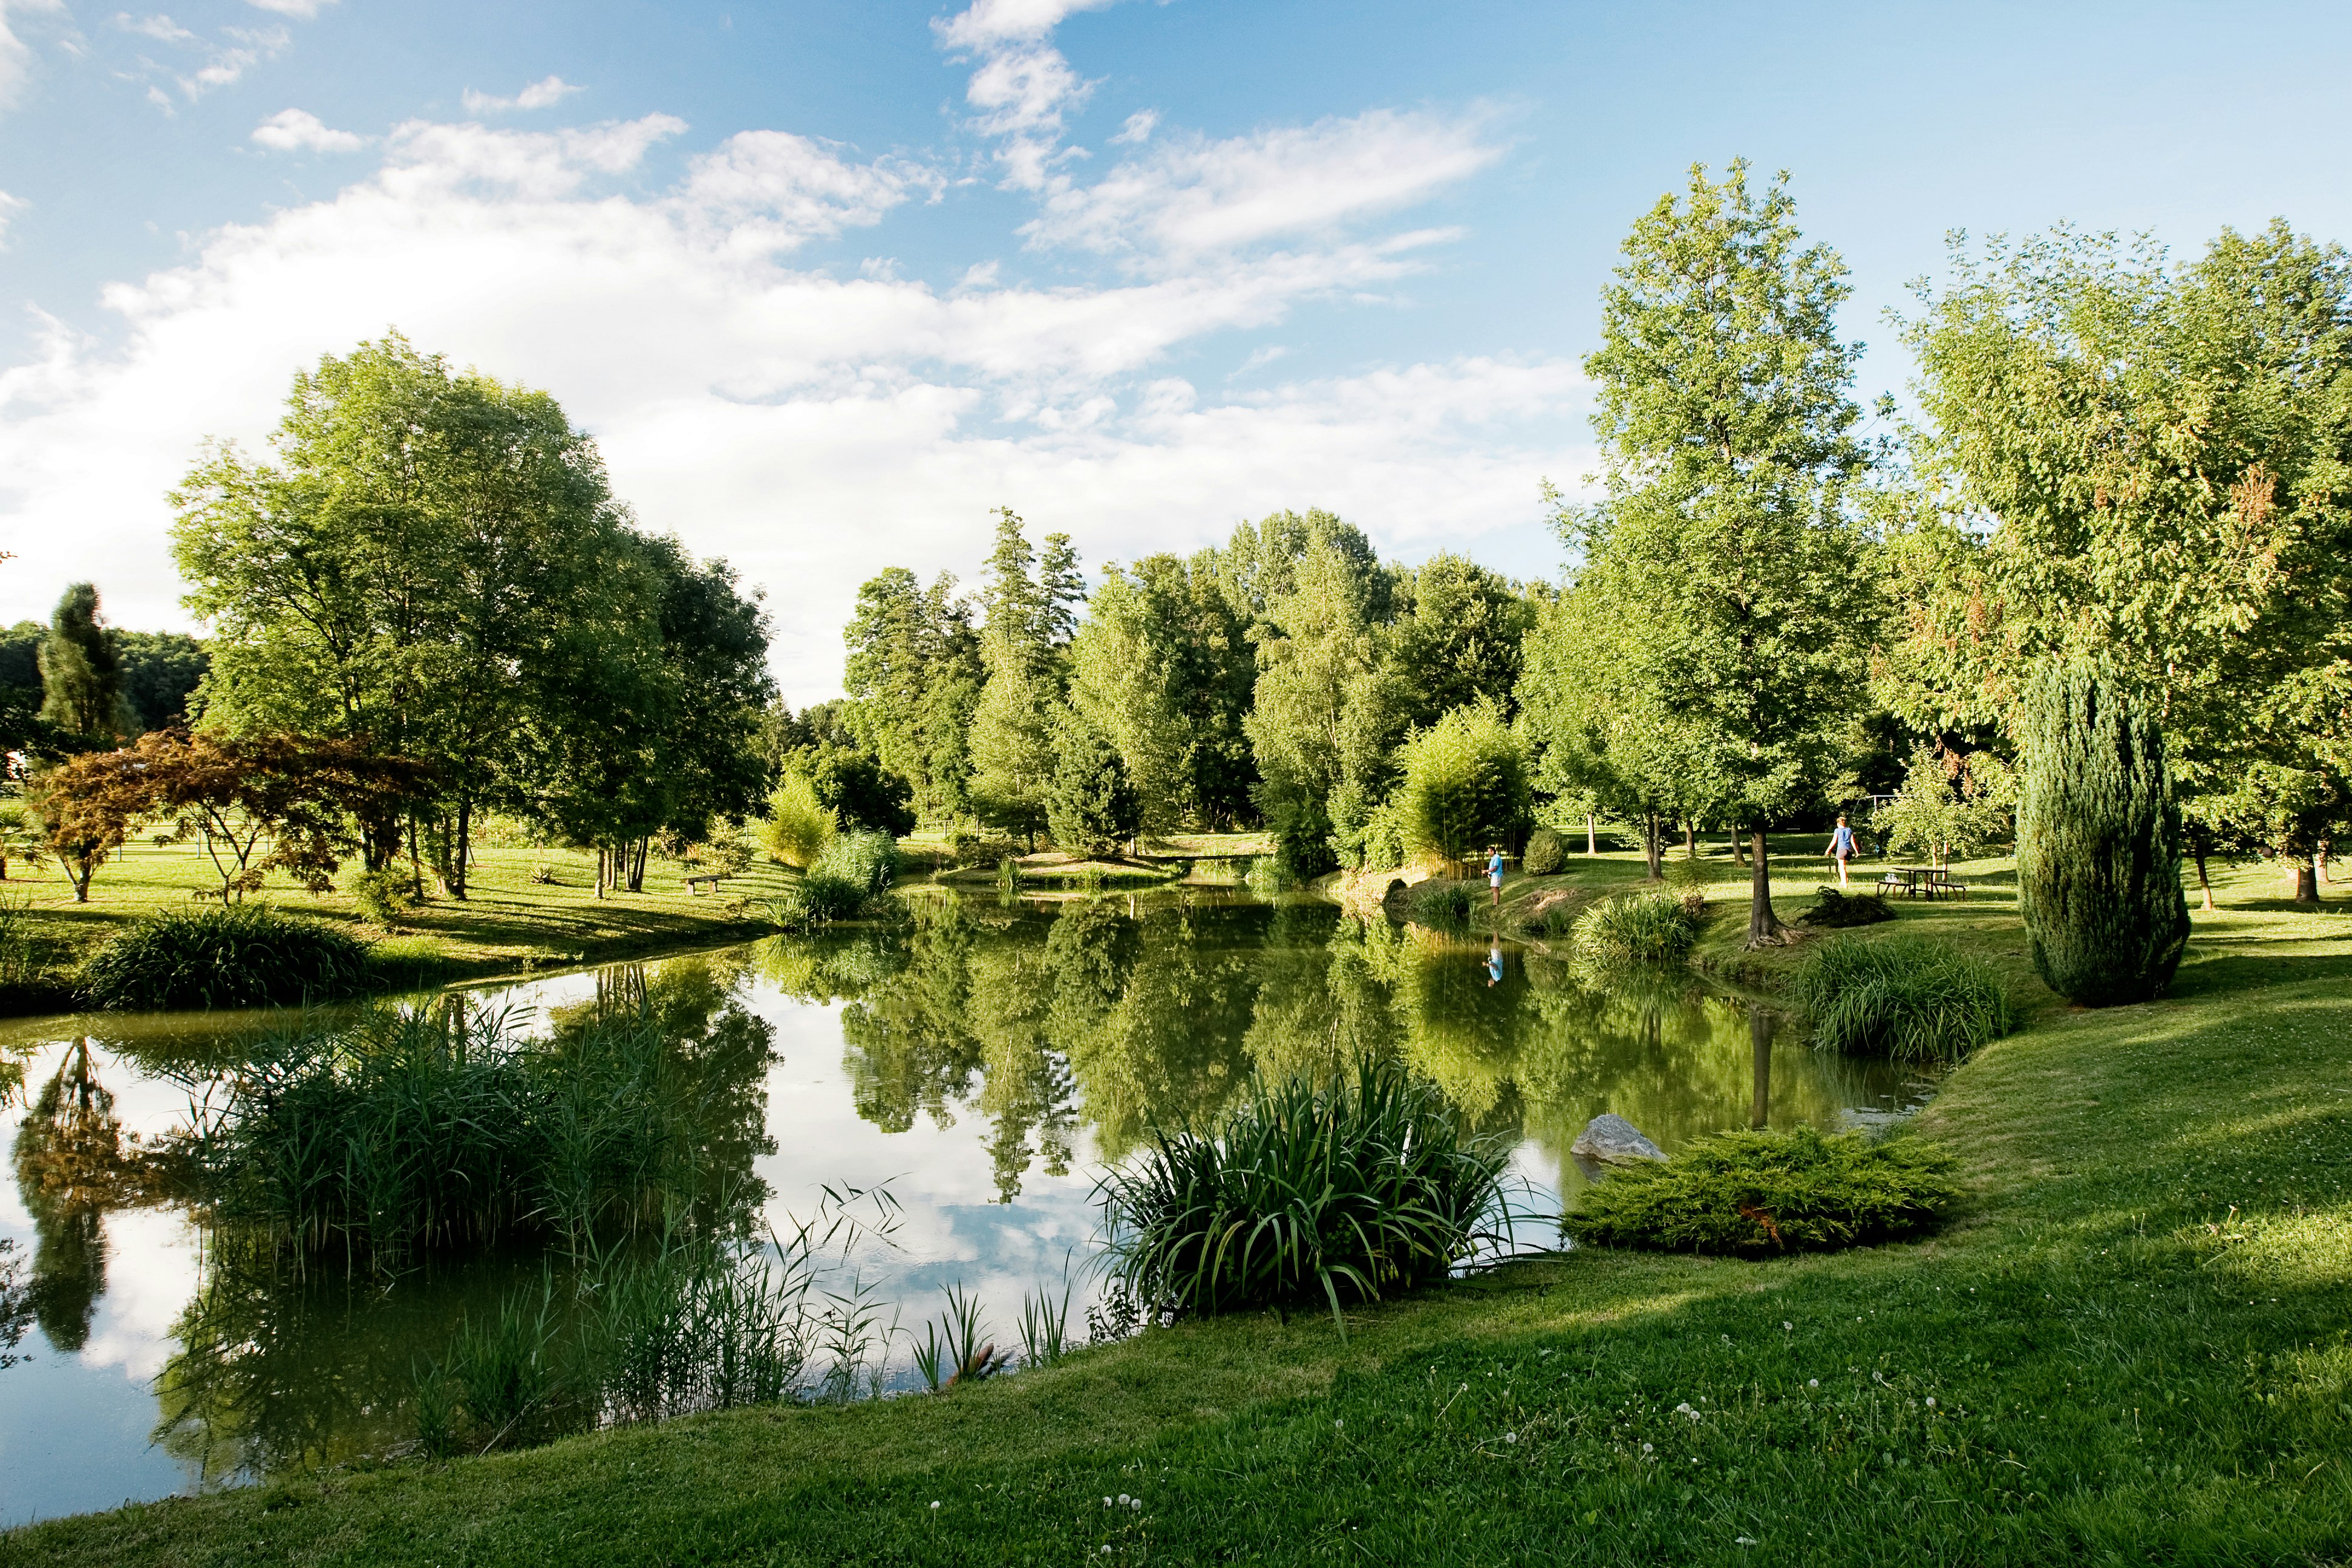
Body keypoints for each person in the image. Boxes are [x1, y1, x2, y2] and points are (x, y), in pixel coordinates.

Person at [1827, 814, 1858, 887]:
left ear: (1838, 823)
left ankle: (1845, 883)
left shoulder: (1837, 830)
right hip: (1849, 850)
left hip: (1841, 849)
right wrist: (1856, 851)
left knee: (1842, 868)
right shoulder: (1849, 830)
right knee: (1843, 866)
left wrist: (1829, 849)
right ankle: (1842, 882)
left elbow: (1834, 841)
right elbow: (1853, 841)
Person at [1487, 844, 1506, 908]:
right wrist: (1489, 873)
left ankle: (1496, 904)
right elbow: (1492, 867)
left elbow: (1495, 868)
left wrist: (1487, 871)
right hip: (1493, 876)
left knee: (1496, 889)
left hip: (1497, 875)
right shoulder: (1493, 858)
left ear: (1493, 852)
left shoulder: (1497, 857)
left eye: (1489, 852)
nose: (1488, 853)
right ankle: (1494, 903)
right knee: (1493, 889)